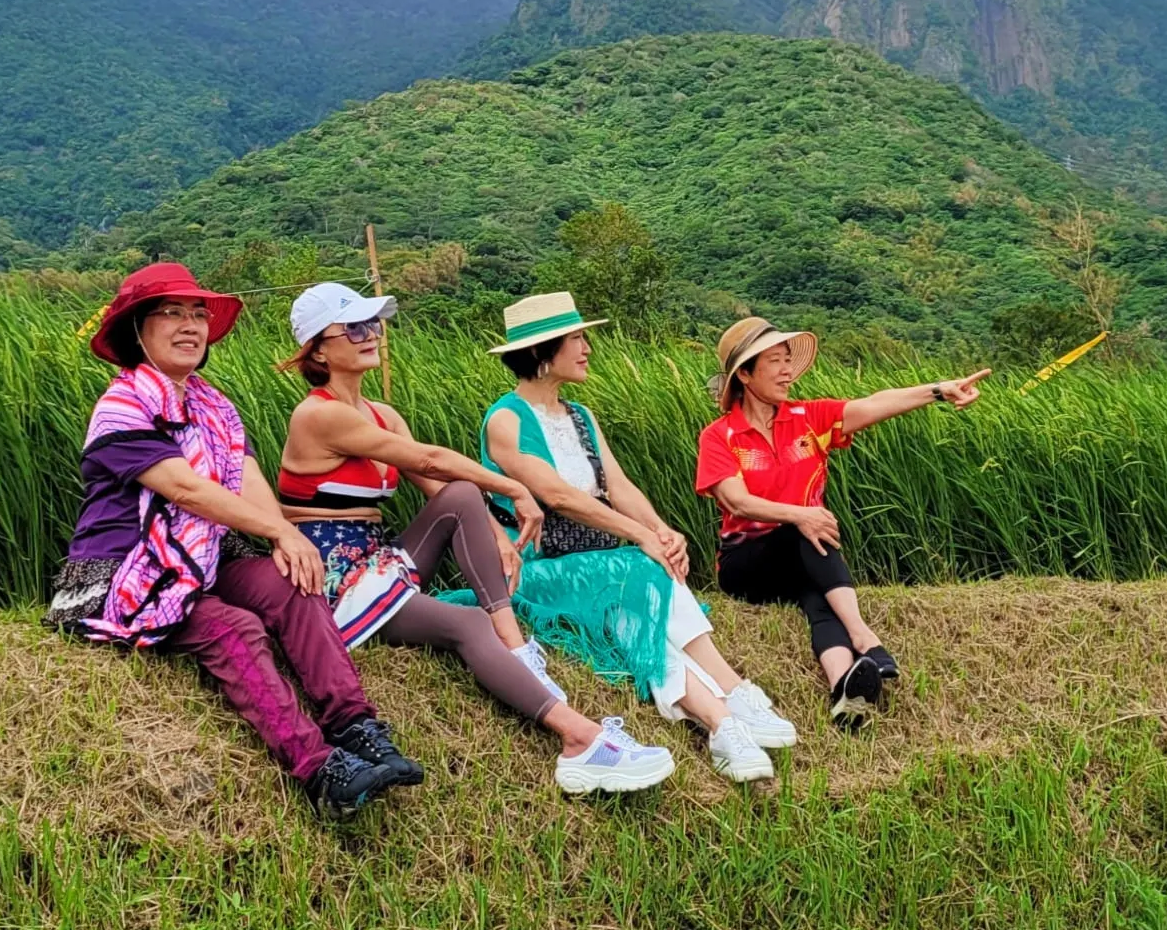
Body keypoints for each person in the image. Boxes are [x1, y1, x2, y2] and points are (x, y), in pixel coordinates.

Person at [43, 262, 419, 820]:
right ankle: (319, 768)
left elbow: (243, 477)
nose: (190, 325)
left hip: (205, 556)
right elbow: (185, 488)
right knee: (233, 627)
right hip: (125, 570)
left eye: (197, 314)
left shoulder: (213, 407)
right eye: (171, 313)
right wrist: (274, 529)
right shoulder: (121, 406)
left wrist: (287, 539)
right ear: (137, 330)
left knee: (291, 581)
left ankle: (356, 724)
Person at [276, 282, 675, 796]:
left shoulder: (381, 413)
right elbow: (429, 460)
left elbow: (442, 488)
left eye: (373, 323)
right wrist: (510, 487)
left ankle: (516, 648)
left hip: (378, 559)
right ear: (319, 349)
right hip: (335, 577)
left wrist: (495, 537)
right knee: (467, 624)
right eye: (354, 327)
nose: (371, 334)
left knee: (465, 496)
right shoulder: (318, 414)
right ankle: (579, 739)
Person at [474, 292, 795, 784]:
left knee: (636, 619)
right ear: (543, 352)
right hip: (543, 567)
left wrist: (662, 532)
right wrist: (638, 538)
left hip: (600, 563)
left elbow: (617, 486)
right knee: (640, 569)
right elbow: (556, 496)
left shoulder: (580, 415)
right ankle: (733, 696)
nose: (587, 348)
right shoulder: (506, 419)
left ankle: (724, 719)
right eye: (576, 338)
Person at [695, 316, 989, 725]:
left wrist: (939, 391)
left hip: (803, 555)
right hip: (746, 564)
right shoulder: (720, 435)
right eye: (775, 362)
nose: (787, 371)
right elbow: (737, 501)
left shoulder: (806, 418)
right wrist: (800, 514)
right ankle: (865, 636)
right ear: (744, 374)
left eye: (788, 360)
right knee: (808, 527)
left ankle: (843, 687)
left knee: (819, 600)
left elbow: (873, 404)